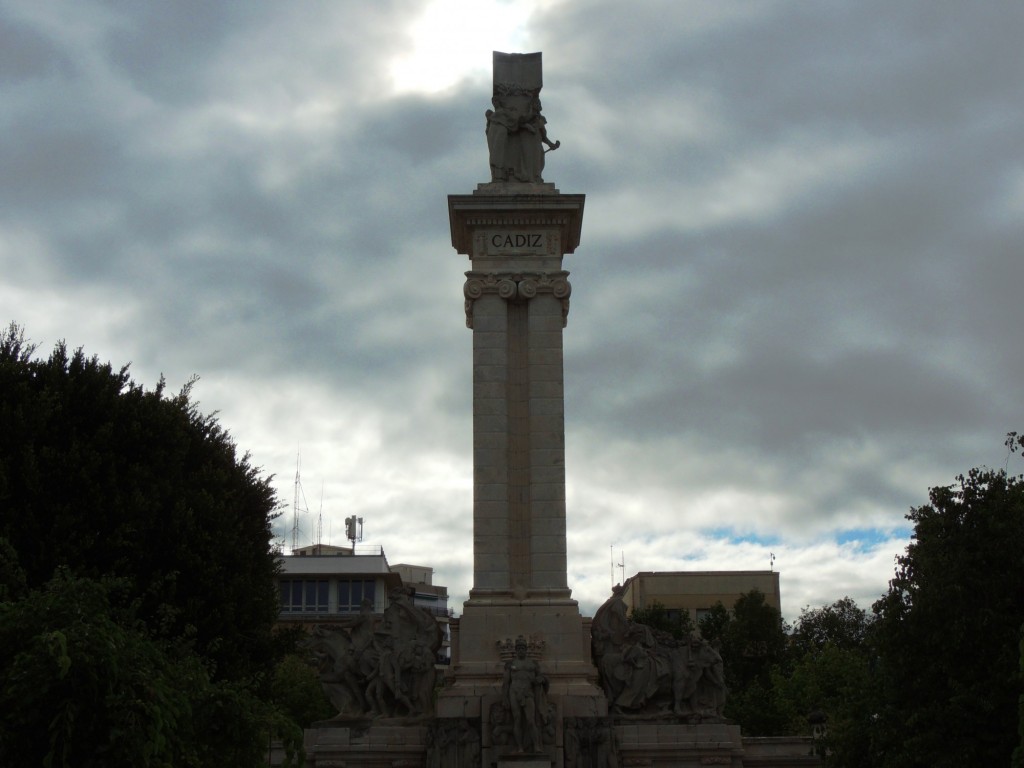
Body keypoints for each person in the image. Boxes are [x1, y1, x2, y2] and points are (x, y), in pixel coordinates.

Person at [502, 637, 547, 752]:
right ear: (516, 650)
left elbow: (540, 676)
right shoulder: (510, 664)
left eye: (523, 648)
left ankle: (536, 745)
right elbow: (506, 682)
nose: (521, 650)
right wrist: (505, 698)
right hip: (514, 692)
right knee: (517, 719)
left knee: (531, 720)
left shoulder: (533, 663)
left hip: (528, 693)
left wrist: (540, 679)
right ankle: (520, 747)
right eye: (519, 648)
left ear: (526, 650)